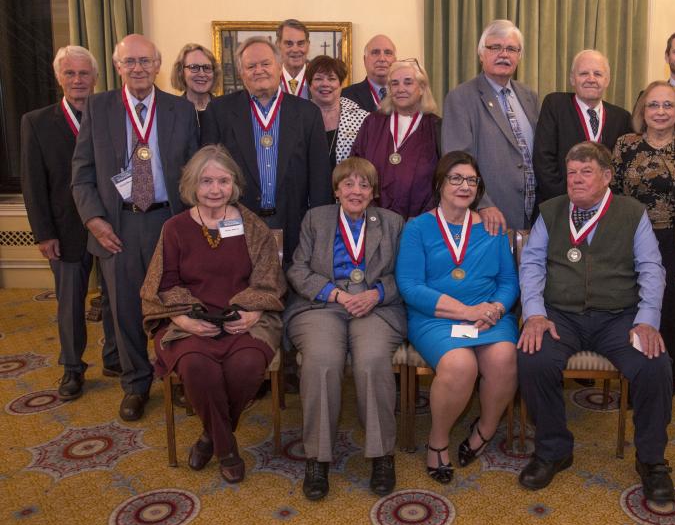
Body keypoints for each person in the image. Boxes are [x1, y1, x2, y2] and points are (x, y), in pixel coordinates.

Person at [516, 141, 672, 501]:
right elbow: (533, 264)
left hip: (618, 318)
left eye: (586, 172)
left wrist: (647, 320)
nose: (577, 180)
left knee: (655, 365)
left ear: (606, 176)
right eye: (572, 173)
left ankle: (651, 460)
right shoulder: (551, 211)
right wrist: (535, 314)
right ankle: (554, 450)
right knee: (533, 358)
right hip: (561, 316)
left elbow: (651, 268)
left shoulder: (632, 213)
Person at [72, 34, 200, 421]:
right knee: (126, 309)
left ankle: (177, 376)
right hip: (118, 225)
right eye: (130, 62)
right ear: (117, 67)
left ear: (158, 65)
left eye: (145, 61)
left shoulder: (180, 109)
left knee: (175, 301)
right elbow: (81, 173)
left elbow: (195, 170)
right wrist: (94, 220)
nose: (138, 68)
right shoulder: (99, 107)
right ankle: (136, 383)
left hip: (170, 220)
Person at [140, 145, 285, 484]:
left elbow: (268, 279)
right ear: (193, 184)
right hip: (190, 322)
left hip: (243, 321)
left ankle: (210, 437)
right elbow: (163, 282)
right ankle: (228, 450)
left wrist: (253, 311)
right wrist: (182, 319)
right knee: (197, 368)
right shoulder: (175, 228)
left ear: (234, 184)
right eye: (206, 181)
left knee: (247, 366)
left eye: (223, 181)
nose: (215, 190)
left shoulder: (253, 226)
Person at [286, 157, 405, 501]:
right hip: (323, 304)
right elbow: (298, 270)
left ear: (374, 192)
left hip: (376, 306)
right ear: (336, 190)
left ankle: (382, 455)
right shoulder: (316, 219)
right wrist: (335, 292)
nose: (356, 191)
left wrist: (377, 293)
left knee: (371, 361)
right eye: (348, 184)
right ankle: (317, 458)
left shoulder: (393, 223)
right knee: (322, 361)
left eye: (364, 184)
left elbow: (407, 274)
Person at [395, 151, 519, 484]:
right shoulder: (417, 227)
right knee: (460, 365)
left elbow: (508, 282)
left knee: (504, 356)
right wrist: (465, 312)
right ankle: (437, 440)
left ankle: (484, 430)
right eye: (456, 178)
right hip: (436, 317)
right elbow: (409, 286)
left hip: (489, 316)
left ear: (479, 188)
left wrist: (495, 309)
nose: (464, 186)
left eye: (471, 180)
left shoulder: (492, 227)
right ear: (440, 183)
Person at [21, 45, 119, 400]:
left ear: (96, 77)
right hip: (64, 230)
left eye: (84, 73)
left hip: (110, 226)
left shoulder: (113, 113)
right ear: (59, 77)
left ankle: (114, 356)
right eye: (70, 73)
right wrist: (43, 233)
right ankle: (72, 368)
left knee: (114, 298)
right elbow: (33, 184)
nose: (78, 80)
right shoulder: (37, 121)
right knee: (70, 302)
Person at [612, 81, 675, 386]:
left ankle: (662, 380)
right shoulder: (625, 144)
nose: (660, 111)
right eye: (653, 105)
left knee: (669, 313)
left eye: (668, 105)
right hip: (629, 244)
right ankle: (633, 376)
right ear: (642, 111)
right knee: (631, 308)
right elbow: (611, 198)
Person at [201, 36, 332, 265]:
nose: (259, 70)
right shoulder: (219, 111)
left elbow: (320, 178)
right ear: (242, 73)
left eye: (265, 63)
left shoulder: (307, 113)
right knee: (242, 294)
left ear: (280, 67)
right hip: (236, 222)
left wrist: (318, 228)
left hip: (294, 225)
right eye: (251, 66)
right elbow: (207, 174)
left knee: (291, 295)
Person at [441, 19, 539, 233]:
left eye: (512, 49)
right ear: (481, 54)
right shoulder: (461, 98)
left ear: (519, 57)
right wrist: (484, 204)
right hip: (489, 217)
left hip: (533, 216)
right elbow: (457, 161)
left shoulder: (529, 96)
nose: (504, 54)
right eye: (495, 47)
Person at [533, 49, 632, 204]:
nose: (591, 79)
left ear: (607, 80)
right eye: (584, 73)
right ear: (572, 79)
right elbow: (543, 159)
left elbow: (622, 169)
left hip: (605, 210)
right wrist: (569, 201)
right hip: (559, 205)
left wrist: (605, 204)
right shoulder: (555, 105)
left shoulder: (622, 118)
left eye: (598, 74)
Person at [351, 59, 440, 219]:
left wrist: (426, 217)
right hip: (374, 219)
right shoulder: (373, 122)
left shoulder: (436, 127)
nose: (400, 89)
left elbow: (444, 177)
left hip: (421, 221)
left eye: (408, 83)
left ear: (421, 88)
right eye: (394, 83)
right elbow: (356, 166)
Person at [305, 55, 369, 168]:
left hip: (347, 184)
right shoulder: (298, 118)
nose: (325, 84)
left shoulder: (362, 119)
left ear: (341, 84)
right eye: (318, 78)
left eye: (332, 79)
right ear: (310, 85)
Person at [342, 34, 397, 112]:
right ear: (365, 60)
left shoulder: (407, 95)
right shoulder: (346, 96)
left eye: (388, 53)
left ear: (395, 60)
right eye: (375, 52)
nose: (382, 59)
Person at [170, 43, 221, 123]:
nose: (202, 74)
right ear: (181, 72)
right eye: (193, 67)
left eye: (207, 68)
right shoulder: (171, 113)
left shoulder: (224, 111)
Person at [277, 19, 311, 100]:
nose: (295, 50)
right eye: (289, 43)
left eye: (301, 43)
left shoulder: (318, 80)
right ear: (278, 45)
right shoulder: (269, 81)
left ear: (308, 45)